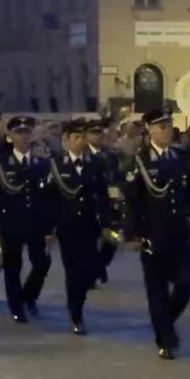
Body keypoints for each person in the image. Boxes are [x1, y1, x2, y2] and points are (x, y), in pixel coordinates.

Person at [123, 107, 190, 359]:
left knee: (185, 284)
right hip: (152, 234)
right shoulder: (138, 160)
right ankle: (165, 339)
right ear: (150, 130)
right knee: (157, 289)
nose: (167, 130)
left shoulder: (180, 155)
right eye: (162, 126)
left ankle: (164, 322)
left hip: (179, 232)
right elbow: (132, 201)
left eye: (169, 125)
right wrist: (131, 234)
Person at [0, 116, 53, 324]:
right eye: (18, 133)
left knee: (42, 262)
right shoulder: (2, 165)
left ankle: (29, 295)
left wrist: (49, 227)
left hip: (36, 222)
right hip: (11, 222)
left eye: (26, 132)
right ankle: (16, 306)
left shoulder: (42, 163)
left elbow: (47, 197)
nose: (23, 136)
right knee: (12, 266)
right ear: (9, 137)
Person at [48, 119, 108, 335]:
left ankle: (78, 302)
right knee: (73, 272)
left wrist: (108, 224)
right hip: (67, 227)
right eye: (77, 137)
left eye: (84, 137)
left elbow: (102, 196)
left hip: (89, 225)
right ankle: (76, 313)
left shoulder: (96, 164)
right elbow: (50, 199)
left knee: (89, 269)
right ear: (66, 140)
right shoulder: (56, 164)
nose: (81, 141)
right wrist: (49, 229)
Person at [86, 120, 122, 286]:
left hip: (110, 202)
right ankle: (91, 274)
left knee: (113, 240)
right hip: (89, 204)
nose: (97, 136)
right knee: (90, 241)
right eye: (93, 133)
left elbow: (116, 177)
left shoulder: (111, 155)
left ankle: (99, 266)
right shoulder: (82, 154)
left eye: (99, 133)